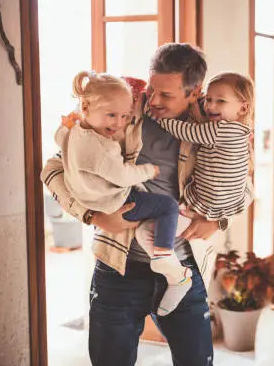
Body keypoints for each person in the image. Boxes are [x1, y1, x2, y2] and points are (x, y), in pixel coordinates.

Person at [41, 43, 252, 366]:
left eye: (166, 95)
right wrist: (92, 215)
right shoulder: (121, 113)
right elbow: (53, 169)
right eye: (152, 89)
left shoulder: (212, 128)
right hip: (118, 267)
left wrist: (217, 222)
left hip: (182, 269)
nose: (153, 100)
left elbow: (245, 187)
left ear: (194, 93)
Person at [54, 71, 193, 313]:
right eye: (112, 115)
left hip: (94, 196)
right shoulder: (104, 146)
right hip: (115, 205)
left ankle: (168, 267)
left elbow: (60, 137)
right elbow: (122, 175)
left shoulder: (75, 131)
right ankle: (164, 258)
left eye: (125, 116)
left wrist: (217, 220)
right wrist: (148, 171)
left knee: (145, 229)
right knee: (168, 207)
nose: (119, 123)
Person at [146, 72, 255, 313]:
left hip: (203, 209)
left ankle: (177, 278)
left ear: (242, 108)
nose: (210, 105)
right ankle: (175, 276)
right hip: (212, 207)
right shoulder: (237, 131)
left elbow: (188, 132)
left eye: (220, 101)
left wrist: (155, 115)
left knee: (147, 234)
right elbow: (201, 127)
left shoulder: (220, 131)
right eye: (208, 100)